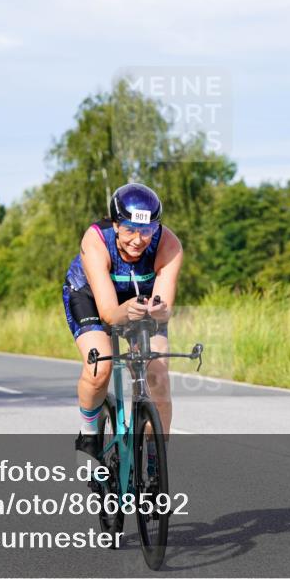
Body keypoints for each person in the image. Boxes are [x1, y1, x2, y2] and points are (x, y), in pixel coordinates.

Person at [62, 183, 183, 462]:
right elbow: (109, 314)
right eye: (129, 229)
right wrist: (127, 311)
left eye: (147, 230)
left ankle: (155, 460)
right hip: (90, 296)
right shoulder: (96, 240)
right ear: (116, 224)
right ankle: (88, 435)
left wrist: (157, 311)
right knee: (99, 368)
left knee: (157, 374)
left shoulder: (169, 245)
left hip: (139, 301)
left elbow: (164, 310)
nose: (138, 240)